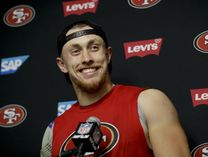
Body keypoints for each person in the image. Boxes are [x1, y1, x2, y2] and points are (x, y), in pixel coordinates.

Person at [40, 20, 191, 157]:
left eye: (94, 47)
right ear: (62, 65)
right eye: (75, 51)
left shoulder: (149, 102)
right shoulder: (53, 132)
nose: (86, 58)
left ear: (108, 54)